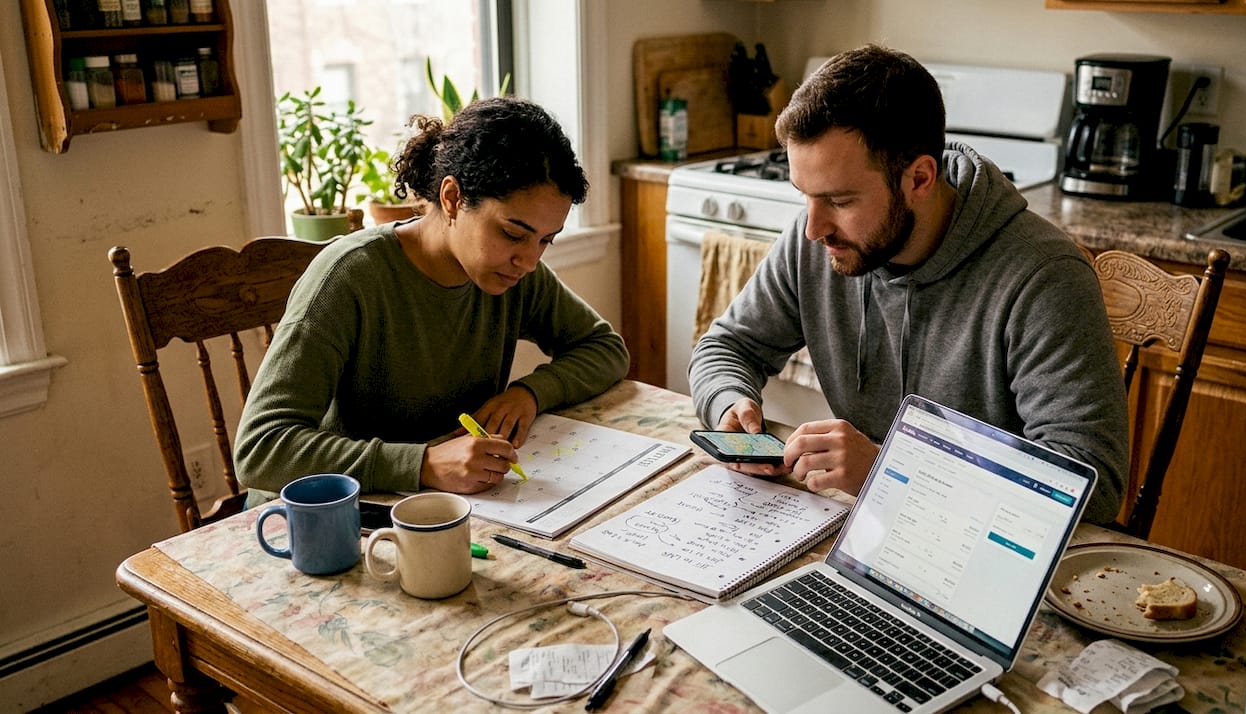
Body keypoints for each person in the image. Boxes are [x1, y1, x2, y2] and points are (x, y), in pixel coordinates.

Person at [688, 45, 1128, 524]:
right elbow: (727, 346)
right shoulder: (815, 239)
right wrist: (729, 403)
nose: (814, 228)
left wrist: (889, 470)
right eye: (805, 196)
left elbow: (1093, 483)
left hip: (987, 545)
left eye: (840, 201)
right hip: (867, 524)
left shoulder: (1044, 277)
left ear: (919, 178)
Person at [235, 96, 628, 507]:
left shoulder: (515, 275)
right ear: (453, 197)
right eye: (513, 234)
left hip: (433, 503)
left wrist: (530, 393)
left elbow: (604, 348)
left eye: (546, 240)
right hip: (316, 516)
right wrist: (422, 463)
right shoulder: (349, 277)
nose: (529, 261)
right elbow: (260, 449)